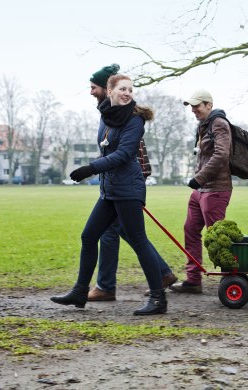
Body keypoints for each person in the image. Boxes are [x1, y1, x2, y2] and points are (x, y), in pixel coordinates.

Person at [51, 74, 167, 315]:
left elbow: (124, 153)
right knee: (88, 235)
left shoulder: (135, 120)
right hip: (110, 191)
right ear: (110, 91)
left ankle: (158, 300)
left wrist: (90, 169)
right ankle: (80, 291)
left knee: (137, 239)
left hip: (128, 190)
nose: (127, 93)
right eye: (122, 89)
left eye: (130, 90)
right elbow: (106, 146)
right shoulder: (105, 116)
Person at [87, 64, 177, 301]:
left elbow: (132, 152)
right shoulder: (108, 113)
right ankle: (163, 274)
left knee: (116, 233)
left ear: (107, 89)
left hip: (126, 185)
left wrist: (97, 169)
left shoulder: (128, 117)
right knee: (127, 232)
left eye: (94, 87)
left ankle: (107, 286)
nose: (91, 91)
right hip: (114, 185)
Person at [169, 89, 232, 294]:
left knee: (216, 237)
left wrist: (199, 178)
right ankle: (193, 279)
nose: (194, 109)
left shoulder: (219, 124)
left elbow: (222, 154)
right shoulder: (203, 126)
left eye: (198, 105)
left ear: (209, 105)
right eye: (192, 106)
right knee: (190, 230)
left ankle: (234, 277)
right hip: (201, 190)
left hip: (215, 189)